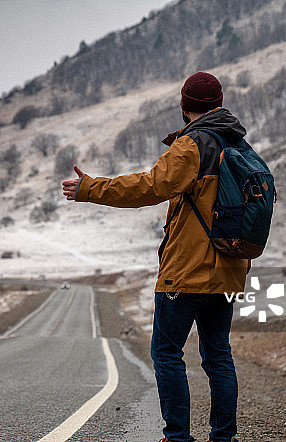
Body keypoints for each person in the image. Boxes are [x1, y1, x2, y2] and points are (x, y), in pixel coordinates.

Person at [61, 72, 247, 442]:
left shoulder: (193, 144)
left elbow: (150, 187)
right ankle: (224, 438)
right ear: (219, 102)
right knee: (218, 356)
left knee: (165, 352)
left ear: (184, 106)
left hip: (187, 272)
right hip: (228, 271)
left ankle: (177, 437)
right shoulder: (239, 144)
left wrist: (90, 188)